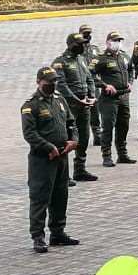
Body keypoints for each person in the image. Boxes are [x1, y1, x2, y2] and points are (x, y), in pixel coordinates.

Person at [22, 66, 79, 254]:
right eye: (49, 82)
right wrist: (49, 147)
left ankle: (57, 232)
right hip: (43, 159)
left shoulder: (59, 100)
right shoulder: (31, 105)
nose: (52, 84)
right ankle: (38, 236)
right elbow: (30, 134)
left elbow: (71, 122)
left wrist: (74, 140)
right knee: (40, 198)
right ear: (39, 82)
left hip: (62, 156)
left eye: (55, 81)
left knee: (60, 195)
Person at [52, 33, 98, 182]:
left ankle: (80, 170)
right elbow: (61, 85)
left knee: (83, 138)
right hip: (69, 106)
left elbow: (89, 79)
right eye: (80, 44)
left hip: (84, 105)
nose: (83, 46)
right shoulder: (60, 62)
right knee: (65, 139)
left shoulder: (82, 59)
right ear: (71, 45)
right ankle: (63, 175)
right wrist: (76, 100)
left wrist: (91, 96)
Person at [91, 32, 136, 168]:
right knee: (108, 128)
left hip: (124, 96)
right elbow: (90, 75)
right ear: (108, 42)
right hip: (109, 99)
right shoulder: (101, 58)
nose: (117, 43)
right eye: (115, 40)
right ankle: (107, 156)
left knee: (123, 126)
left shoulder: (124, 56)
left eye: (119, 41)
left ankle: (122, 154)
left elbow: (131, 70)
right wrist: (105, 85)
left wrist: (130, 82)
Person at [79, 25, 104, 142]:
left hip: (94, 83)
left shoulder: (95, 49)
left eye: (89, 34)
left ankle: (97, 133)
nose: (87, 36)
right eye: (84, 34)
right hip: (81, 83)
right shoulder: (76, 50)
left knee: (95, 109)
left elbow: (100, 63)